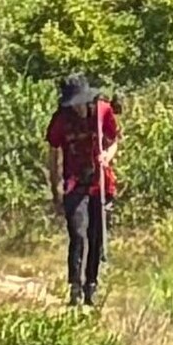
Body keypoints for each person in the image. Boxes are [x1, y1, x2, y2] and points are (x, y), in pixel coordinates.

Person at [44, 71, 121, 306]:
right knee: (78, 234)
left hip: (100, 182)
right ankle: (75, 287)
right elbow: (53, 151)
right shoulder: (61, 119)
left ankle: (92, 286)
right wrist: (55, 187)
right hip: (74, 183)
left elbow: (113, 139)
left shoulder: (102, 111)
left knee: (96, 236)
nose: (77, 108)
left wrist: (106, 155)